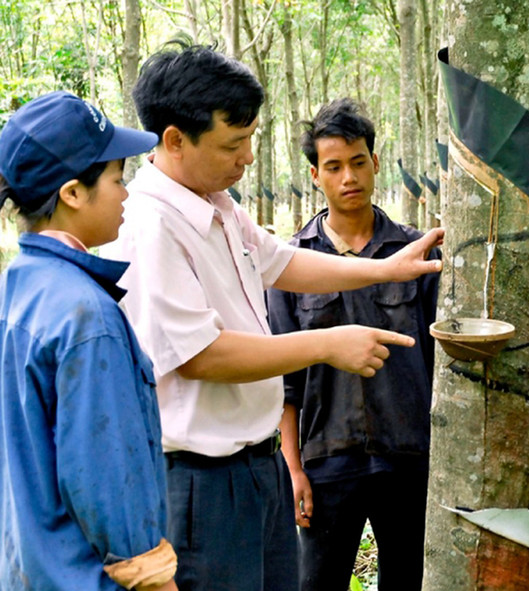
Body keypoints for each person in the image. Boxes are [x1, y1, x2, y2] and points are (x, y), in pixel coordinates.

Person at [101, 44, 442, 590]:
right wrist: (328, 344)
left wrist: (383, 271)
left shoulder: (216, 203)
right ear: (174, 140)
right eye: (233, 144)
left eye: (251, 139)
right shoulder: (150, 225)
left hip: (257, 469)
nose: (248, 158)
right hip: (201, 479)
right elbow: (200, 355)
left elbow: (280, 261)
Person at [0, 92, 176, 590]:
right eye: (118, 180)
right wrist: (156, 578)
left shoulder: (15, 288)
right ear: (74, 193)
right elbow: (106, 479)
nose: (126, 194)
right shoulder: (86, 316)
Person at [266, 98, 438, 591]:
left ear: (376, 163)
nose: (349, 178)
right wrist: (294, 468)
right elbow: (285, 381)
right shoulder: (291, 264)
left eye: (358, 162)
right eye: (334, 167)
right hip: (326, 460)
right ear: (315, 174)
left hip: (407, 456)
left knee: (407, 579)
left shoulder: (415, 253)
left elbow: (439, 361)